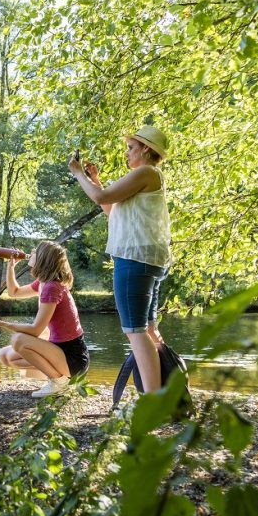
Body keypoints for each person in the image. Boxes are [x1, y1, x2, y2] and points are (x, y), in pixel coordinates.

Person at [68, 125, 172, 392]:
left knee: (134, 330)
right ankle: (167, 390)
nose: (127, 153)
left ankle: (152, 400)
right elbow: (109, 209)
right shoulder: (145, 176)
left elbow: (100, 197)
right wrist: (95, 180)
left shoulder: (146, 172)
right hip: (147, 258)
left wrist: (78, 174)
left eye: (130, 147)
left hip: (134, 258)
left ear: (146, 149)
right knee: (147, 328)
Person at [0, 241, 90, 398]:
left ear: (44, 259)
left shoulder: (52, 287)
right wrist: (11, 267)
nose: (32, 252)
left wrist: (2, 323)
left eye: (36, 251)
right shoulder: (43, 283)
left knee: (18, 340)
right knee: (5, 355)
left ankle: (59, 382)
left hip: (73, 359)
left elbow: (35, 329)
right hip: (60, 351)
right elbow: (14, 292)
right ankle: (55, 376)